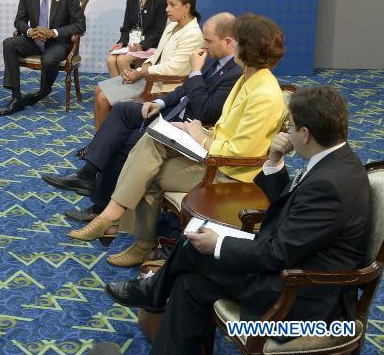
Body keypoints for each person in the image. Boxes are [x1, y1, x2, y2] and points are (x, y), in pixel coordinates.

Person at [105, 86, 371, 354]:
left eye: (289, 126)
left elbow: (278, 252)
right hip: (293, 270)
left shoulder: (329, 185)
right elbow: (292, 211)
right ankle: (154, 294)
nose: (286, 133)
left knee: (195, 248)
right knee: (190, 283)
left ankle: (153, 291)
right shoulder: (336, 161)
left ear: (305, 134)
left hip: (305, 305)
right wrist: (275, 162)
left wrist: (218, 245)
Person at [68, 13, 286, 268]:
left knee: (147, 171)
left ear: (245, 47)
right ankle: (117, 222)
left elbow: (238, 152)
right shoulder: (247, 78)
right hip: (215, 155)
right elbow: (226, 130)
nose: (232, 44)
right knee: (152, 139)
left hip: (229, 172)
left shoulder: (264, 93)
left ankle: (124, 229)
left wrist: (200, 137)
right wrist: (196, 130)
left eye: (236, 41)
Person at [44, 12, 241, 260]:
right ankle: (88, 174)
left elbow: (205, 109)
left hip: (187, 128)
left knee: (124, 144)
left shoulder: (234, 73)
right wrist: (159, 101)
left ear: (229, 41)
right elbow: (183, 89)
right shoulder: (214, 58)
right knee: (124, 110)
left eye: (209, 41)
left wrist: (196, 73)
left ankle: (102, 208)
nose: (204, 45)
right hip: (170, 113)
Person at [92, 0, 203, 130]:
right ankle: (100, 140)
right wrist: (137, 71)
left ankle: (101, 144)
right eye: (167, 4)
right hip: (151, 77)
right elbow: (156, 55)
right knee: (98, 89)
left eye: (172, 5)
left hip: (163, 84)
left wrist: (140, 72)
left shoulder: (193, 34)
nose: (167, 9)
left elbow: (174, 68)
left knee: (103, 97)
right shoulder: (172, 25)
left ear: (186, 7)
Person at [0, 0, 86, 116]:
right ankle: (16, 97)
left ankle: (43, 91)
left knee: (48, 59)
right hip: (34, 39)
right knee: (9, 43)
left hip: (57, 42)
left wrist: (53, 32)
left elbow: (80, 25)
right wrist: (31, 31)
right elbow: (19, 21)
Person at [106, 0, 166, 77]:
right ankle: (117, 93)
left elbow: (159, 31)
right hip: (133, 44)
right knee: (110, 59)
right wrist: (121, 42)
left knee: (122, 60)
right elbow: (126, 27)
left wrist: (142, 45)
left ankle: (130, 93)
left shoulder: (161, 0)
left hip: (151, 45)